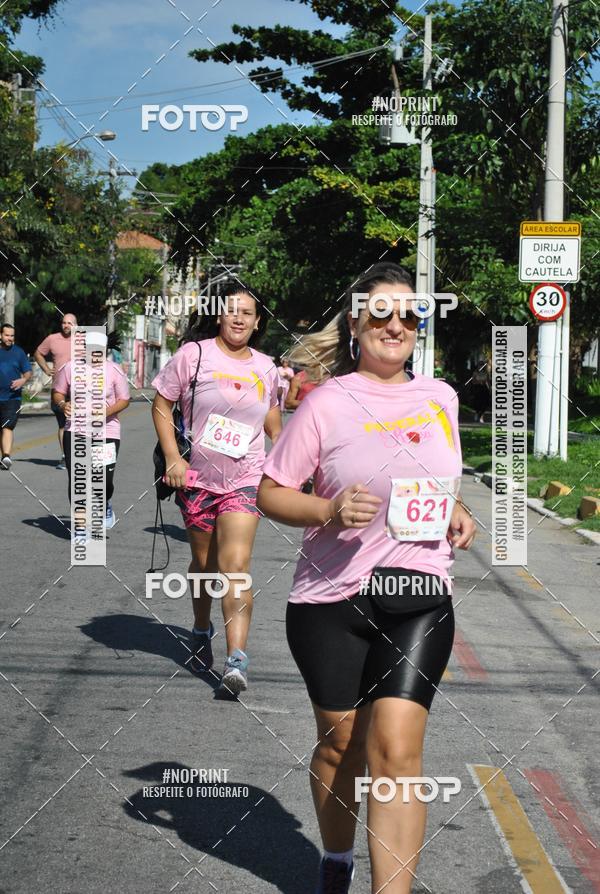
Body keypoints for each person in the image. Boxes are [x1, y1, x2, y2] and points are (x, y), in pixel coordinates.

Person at [257, 262, 476, 894]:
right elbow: (272, 492)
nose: (397, 324)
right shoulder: (326, 402)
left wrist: (457, 509)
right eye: (381, 312)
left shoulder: (440, 399)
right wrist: (328, 509)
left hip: (418, 593)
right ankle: (336, 856)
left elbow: (435, 480)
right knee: (342, 748)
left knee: (398, 754)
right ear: (356, 323)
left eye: (411, 313)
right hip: (332, 601)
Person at [151, 283, 282, 696]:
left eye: (247, 312)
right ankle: (201, 627)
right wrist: (174, 457)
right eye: (231, 310)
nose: (239, 318)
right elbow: (161, 403)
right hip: (198, 480)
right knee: (205, 565)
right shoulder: (195, 355)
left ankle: (236, 660)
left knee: (236, 566)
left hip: (245, 478)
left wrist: (289, 459)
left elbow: (273, 422)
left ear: (258, 322)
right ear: (219, 316)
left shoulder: (267, 367)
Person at [52, 332, 130, 530]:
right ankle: (80, 527)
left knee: (103, 478)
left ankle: (104, 505)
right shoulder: (71, 368)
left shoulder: (114, 370)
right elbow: (58, 392)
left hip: (106, 433)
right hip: (76, 430)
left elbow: (124, 399)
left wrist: (106, 411)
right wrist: (63, 404)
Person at [34, 313, 78, 469]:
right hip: (59, 389)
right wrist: (46, 369)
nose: (66, 325)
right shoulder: (52, 339)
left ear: (76, 325)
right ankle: (65, 457)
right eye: (64, 323)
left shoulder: (83, 340)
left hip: (80, 389)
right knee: (63, 424)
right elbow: (38, 353)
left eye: (70, 323)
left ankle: (80, 455)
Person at [0, 323, 32, 469]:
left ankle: (6, 457)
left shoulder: (18, 352)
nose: (10, 338)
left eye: (12, 335)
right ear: (0, 335)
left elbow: (28, 372)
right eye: (7, 335)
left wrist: (23, 380)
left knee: (7, 427)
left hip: (13, 398)